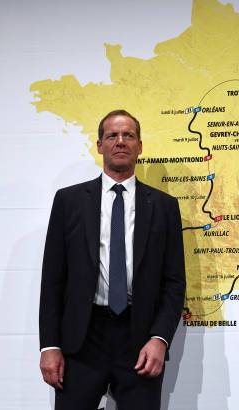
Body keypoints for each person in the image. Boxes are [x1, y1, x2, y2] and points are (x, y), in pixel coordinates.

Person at [39, 109, 186, 409]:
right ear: (100, 145)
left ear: (140, 146)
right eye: (112, 136)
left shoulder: (164, 206)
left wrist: (160, 338)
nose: (120, 141)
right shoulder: (69, 202)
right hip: (81, 340)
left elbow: (174, 282)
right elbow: (53, 279)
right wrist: (50, 345)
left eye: (128, 135)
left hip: (140, 339)